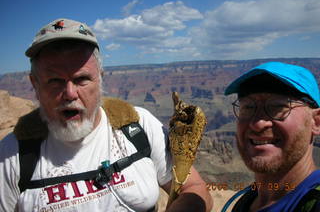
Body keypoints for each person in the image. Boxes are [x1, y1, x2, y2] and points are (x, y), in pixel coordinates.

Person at [0, 18, 212, 212]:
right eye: (54, 81)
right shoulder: (12, 156)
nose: (70, 94)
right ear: (34, 84)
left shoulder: (138, 126)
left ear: (100, 79)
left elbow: (193, 187)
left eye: (82, 79)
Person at [224, 61, 320, 211]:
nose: (257, 124)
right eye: (248, 107)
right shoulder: (245, 201)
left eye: (277, 107)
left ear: (316, 122)